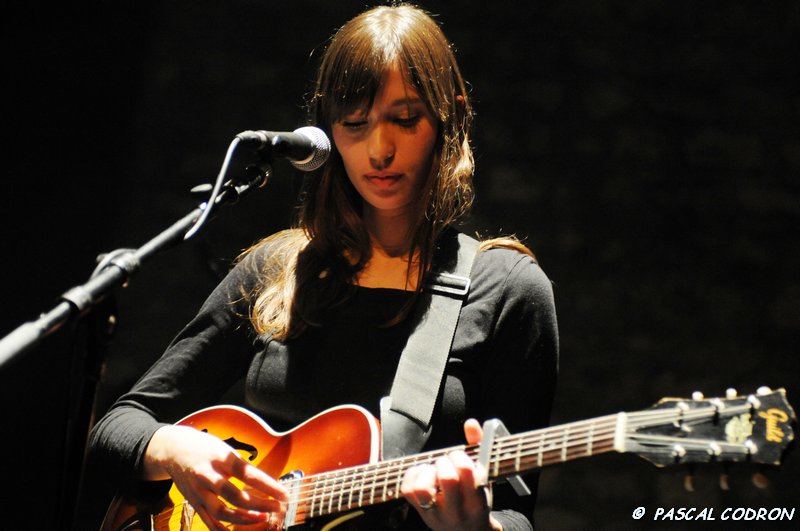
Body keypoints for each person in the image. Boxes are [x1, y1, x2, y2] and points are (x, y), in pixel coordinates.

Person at [89, 3, 558, 530]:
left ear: (449, 116)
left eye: (405, 120)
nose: (379, 149)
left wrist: (476, 526)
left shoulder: (508, 290)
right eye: (354, 124)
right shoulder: (279, 268)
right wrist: (175, 449)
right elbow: (117, 427)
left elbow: (518, 513)